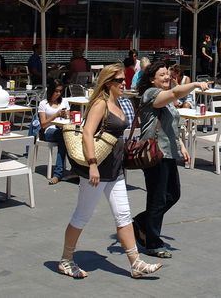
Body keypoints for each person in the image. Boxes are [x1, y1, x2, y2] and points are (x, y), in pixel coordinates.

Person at [57, 62, 161, 280]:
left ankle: (136, 263)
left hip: (115, 169)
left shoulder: (118, 102)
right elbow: (87, 134)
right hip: (97, 170)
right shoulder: (101, 104)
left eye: (124, 79)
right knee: (82, 215)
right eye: (119, 80)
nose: (124, 83)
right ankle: (66, 260)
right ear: (108, 83)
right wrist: (93, 164)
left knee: (123, 215)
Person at [133, 62, 208, 258]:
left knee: (173, 194)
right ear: (152, 79)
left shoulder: (166, 99)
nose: (167, 77)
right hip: (154, 153)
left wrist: (181, 145)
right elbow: (175, 94)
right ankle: (152, 243)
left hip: (168, 153)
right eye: (162, 75)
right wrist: (193, 85)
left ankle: (141, 222)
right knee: (157, 198)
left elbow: (171, 125)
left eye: (168, 74)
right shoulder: (151, 94)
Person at [33, 82, 70, 184]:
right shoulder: (43, 104)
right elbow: (43, 124)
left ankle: (63, 172)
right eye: (56, 91)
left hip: (62, 130)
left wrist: (65, 116)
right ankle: (59, 173)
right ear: (51, 91)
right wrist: (55, 115)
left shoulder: (64, 102)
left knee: (70, 136)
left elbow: (69, 118)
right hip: (47, 131)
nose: (58, 94)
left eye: (60, 91)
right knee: (64, 136)